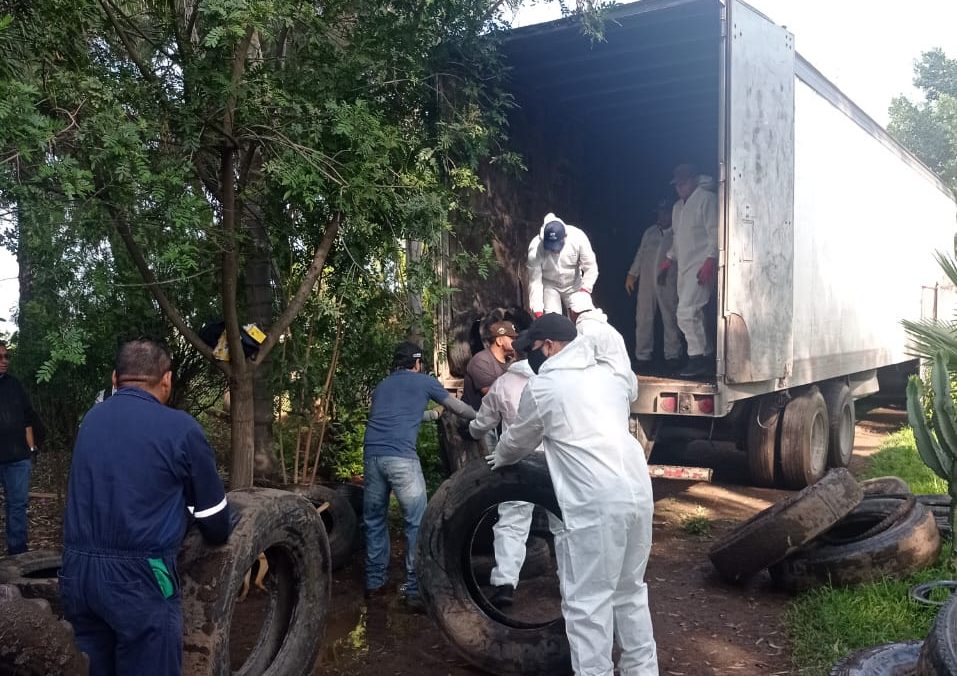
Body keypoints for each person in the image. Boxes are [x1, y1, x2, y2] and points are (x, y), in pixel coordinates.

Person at [488, 314, 657, 676]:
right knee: (630, 593)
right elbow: (619, 359)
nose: (530, 356)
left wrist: (498, 457)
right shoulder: (610, 378)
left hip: (595, 503)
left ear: (548, 346)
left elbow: (518, 440)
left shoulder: (545, 387)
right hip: (638, 496)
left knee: (588, 605)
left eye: (533, 348)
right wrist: (594, 322)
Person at [60, 339, 231, 676]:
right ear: (166, 380)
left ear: (115, 379)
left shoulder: (91, 422)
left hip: (78, 574)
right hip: (141, 577)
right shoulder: (180, 429)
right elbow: (216, 523)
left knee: (91, 667)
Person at [363, 341, 476, 610]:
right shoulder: (424, 382)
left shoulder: (382, 386)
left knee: (374, 519)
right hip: (401, 458)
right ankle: (414, 588)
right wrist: (484, 416)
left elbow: (398, 416)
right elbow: (460, 409)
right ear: (416, 363)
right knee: (417, 522)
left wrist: (433, 416)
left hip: (372, 457)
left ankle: (374, 583)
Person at [467, 338, 538, 609]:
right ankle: (572, 585)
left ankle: (505, 584)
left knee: (512, 522)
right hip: (555, 462)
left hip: (516, 460)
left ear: (513, 355)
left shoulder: (504, 383)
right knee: (564, 522)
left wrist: (470, 431)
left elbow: (483, 423)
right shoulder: (551, 382)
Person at [659, 164, 718, 378]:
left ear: (694, 179)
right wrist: (668, 259)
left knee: (685, 313)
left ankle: (697, 358)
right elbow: (678, 237)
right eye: (677, 184)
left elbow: (714, 233)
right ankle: (707, 353)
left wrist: (710, 260)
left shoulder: (706, 200)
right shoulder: (677, 207)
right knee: (694, 313)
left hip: (701, 266)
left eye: (684, 183)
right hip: (684, 266)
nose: (680, 188)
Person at [626, 199, 682, 373]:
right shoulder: (650, 232)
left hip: (668, 282)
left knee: (670, 318)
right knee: (643, 318)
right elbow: (640, 254)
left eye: (666, 212)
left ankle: (673, 355)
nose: (662, 215)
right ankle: (642, 356)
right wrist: (632, 274)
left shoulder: (677, 233)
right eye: (660, 212)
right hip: (647, 282)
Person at [0, 341, 37, 555]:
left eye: (7, 357)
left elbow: (27, 419)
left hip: (17, 458)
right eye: (0, 357)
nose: (4, 361)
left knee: (17, 506)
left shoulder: (15, 385)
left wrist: (31, 449)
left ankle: (17, 553)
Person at [567, 292, 638, 402]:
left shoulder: (582, 330)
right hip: (628, 390)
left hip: (609, 394)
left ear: (571, 312)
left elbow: (577, 366)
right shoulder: (610, 329)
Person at [527, 212, 598, 317]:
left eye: (557, 246)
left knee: (583, 318)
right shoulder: (535, 248)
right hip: (550, 285)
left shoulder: (578, 237)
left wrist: (585, 290)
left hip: (574, 284)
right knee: (553, 321)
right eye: (550, 247)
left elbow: (590, 267)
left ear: (565, 237)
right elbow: (535, 282)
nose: (555, 251)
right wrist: (537, 310)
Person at [462, 320, 518, 410]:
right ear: (499, 341)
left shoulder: (510, 360)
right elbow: (492, 395)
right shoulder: (481, 361)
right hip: (477, 418)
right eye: (511, 338)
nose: (515, 341)